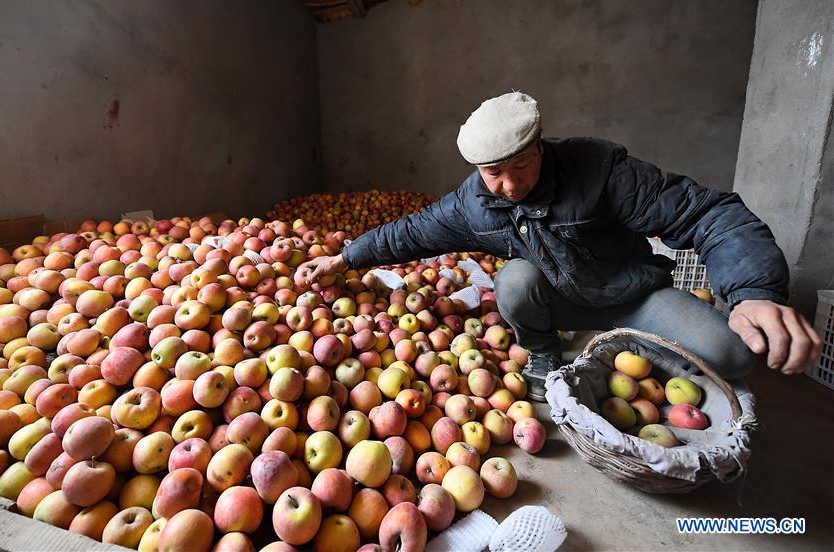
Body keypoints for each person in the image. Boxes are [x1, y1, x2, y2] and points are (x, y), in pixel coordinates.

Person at [295, 92, 822, 401]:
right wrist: (344, 257)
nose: (506, 184)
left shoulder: (601, 169)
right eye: (492, 173)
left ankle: (633, 343)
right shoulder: (472, 202)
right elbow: (409, 232)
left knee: (733, 355)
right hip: (564, 303)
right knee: (515, 280)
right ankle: (545, 355)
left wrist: (754, 291)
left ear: (539, 145)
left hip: (634, 293)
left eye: (519, 166)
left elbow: (706, 213)